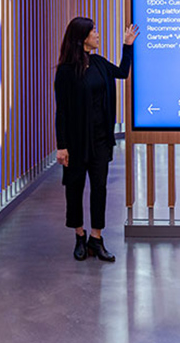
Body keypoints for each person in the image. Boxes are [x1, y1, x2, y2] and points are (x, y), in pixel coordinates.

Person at [54, 17, 138, 262]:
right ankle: (79, 236)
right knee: (75, 189)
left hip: (101, 140)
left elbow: (122, 73)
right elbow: (62, 111)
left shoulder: (99, 63)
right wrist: (62, 146)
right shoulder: (66, 71)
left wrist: (127, 45)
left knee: (99, 188)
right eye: (94, 31)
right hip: (76, 142)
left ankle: (96, 238)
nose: (98, 35)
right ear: (82, 39)